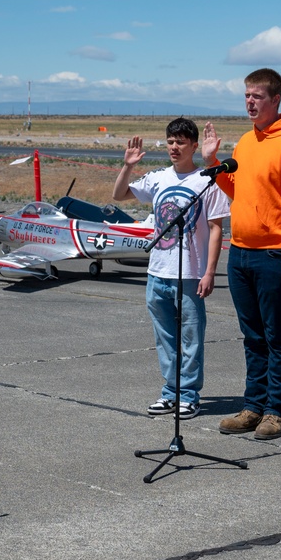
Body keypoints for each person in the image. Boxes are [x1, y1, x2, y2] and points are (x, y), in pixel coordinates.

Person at [203, 68, 281, 440]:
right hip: (242, 253)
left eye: (257, 96)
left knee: (277, 335)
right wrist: (212, 162)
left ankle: (276, 411)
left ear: (275, 99)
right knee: (252, 336)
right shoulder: (247, 143)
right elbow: (237, 191)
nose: (250, 102)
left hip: (276, 255)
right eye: (246, 95)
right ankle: (253, 406)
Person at [113, 117, 230, 419]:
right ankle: (170, 393)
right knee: (165, 340)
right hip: (158, 272)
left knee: (191, 339)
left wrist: (209, 272)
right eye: (170, 142)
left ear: (194, 145)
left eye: (180, 142)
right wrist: (128, 165)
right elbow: (119, 195)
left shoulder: (208, 180)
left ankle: (189, 395)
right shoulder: (159, 178)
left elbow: (217, 228)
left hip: (190, 275)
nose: (174, 148)